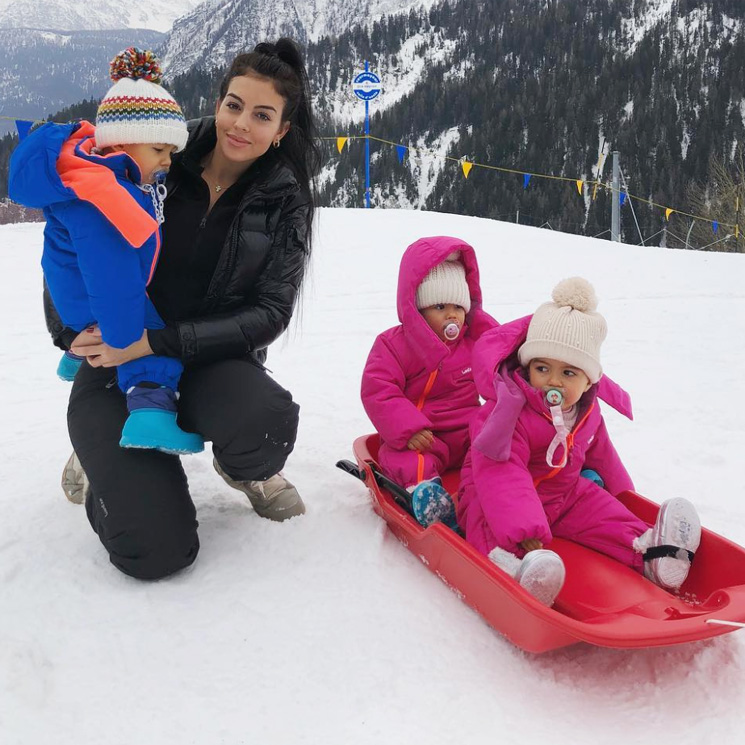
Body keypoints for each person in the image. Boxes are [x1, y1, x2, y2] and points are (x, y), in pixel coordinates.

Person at [39, 38, 322, 580]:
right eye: (234, 105)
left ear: (281, 129)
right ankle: (109, 465)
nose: (241, 124)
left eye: (262, 115)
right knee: (156, 552)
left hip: (208, 359)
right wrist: (68, 331)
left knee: (266, 420)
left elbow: (270, 312)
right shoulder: (151, 148)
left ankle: (243, 470)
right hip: (118, 363)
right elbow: (69, 243)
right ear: (218, 102)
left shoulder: (284, 197)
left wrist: (158, 342)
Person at [457, 277, 701, 606]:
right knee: (488, 530)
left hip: (562, 494)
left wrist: (624, 497)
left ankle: (650, 551)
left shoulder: (586, 412)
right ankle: (515, 571)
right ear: (528, 368)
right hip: (495, 501)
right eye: (542, 368)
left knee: (601, 512)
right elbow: (501, 472)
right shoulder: (507, 412)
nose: (553, 381)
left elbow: (602, 454)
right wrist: (525, 528)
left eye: (568, 373)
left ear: (589, 381)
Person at [9, 48, 203, 454]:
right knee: (153, 347)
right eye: (160, 151)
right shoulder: (104, 197)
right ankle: (151, 415)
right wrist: (124, 339)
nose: (168, 162)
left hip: (74, 296)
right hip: (94, 300)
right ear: (123, 142)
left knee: (117, 321)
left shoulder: (90, 175)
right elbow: (112, 277)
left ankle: (77, 354)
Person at [360, 236, 498, 527]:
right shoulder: (394, 345)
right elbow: (379, 389)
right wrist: (407, 429)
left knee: (495, 449)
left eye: (458, 307)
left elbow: (502, 380)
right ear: (418, 309)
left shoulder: (474, 344)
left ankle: (491, 496)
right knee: (405, 460)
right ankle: (427, 497)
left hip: (465, 432)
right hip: (423, 437)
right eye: (440, 307)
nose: (452, 315)